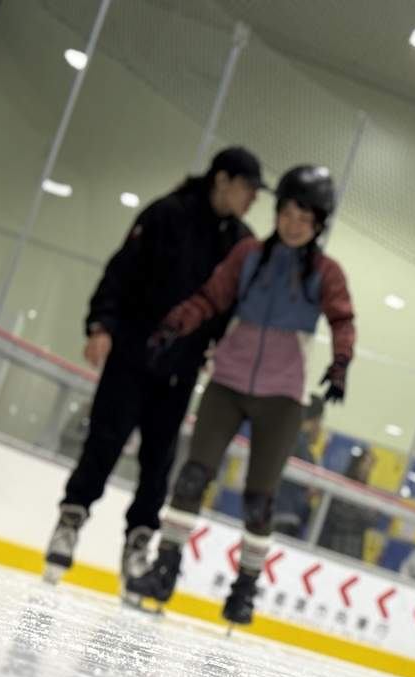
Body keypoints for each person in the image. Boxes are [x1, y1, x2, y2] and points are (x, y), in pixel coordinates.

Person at [125, 165, 356, 626]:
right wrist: (176, 324)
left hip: (282, 395)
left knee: (259, 500)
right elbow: (212, 297)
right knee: (192, 476)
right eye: (287, 211)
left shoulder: (325, 272)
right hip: (227, 382)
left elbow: (342, 319)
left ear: (319, 223)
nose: (293, 223)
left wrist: (341, 363)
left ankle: (244, 590)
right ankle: (165, 570)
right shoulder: (249, 254)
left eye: (304, 216)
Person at [43, 147, 263, 587]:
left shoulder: (240, 242)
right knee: (104, 440)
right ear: (222, 179)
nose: (252, 199)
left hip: (182, 367)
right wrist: (101, 324)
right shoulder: (167, 213)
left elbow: (233, 306)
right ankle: (70, 522)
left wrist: (222, 347)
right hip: (132, 351)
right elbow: (121, 271)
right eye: (247, 188)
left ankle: (138, 544)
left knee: (159, 461)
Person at [273, 395, 325, 538]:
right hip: (285, 517)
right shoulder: (302, 448)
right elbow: (312, 488)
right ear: (316, 421)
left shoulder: (283, 436)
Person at [317, 447, 379, 560]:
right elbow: (338, 515)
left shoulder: (366, 492)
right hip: (330, 544)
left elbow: (372, 519)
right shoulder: (340, 485)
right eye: (365, 463)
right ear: (357, 463)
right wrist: (361, 515)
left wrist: (360, 515)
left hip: (352, 551)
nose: (367, 469)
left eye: (370, 465)